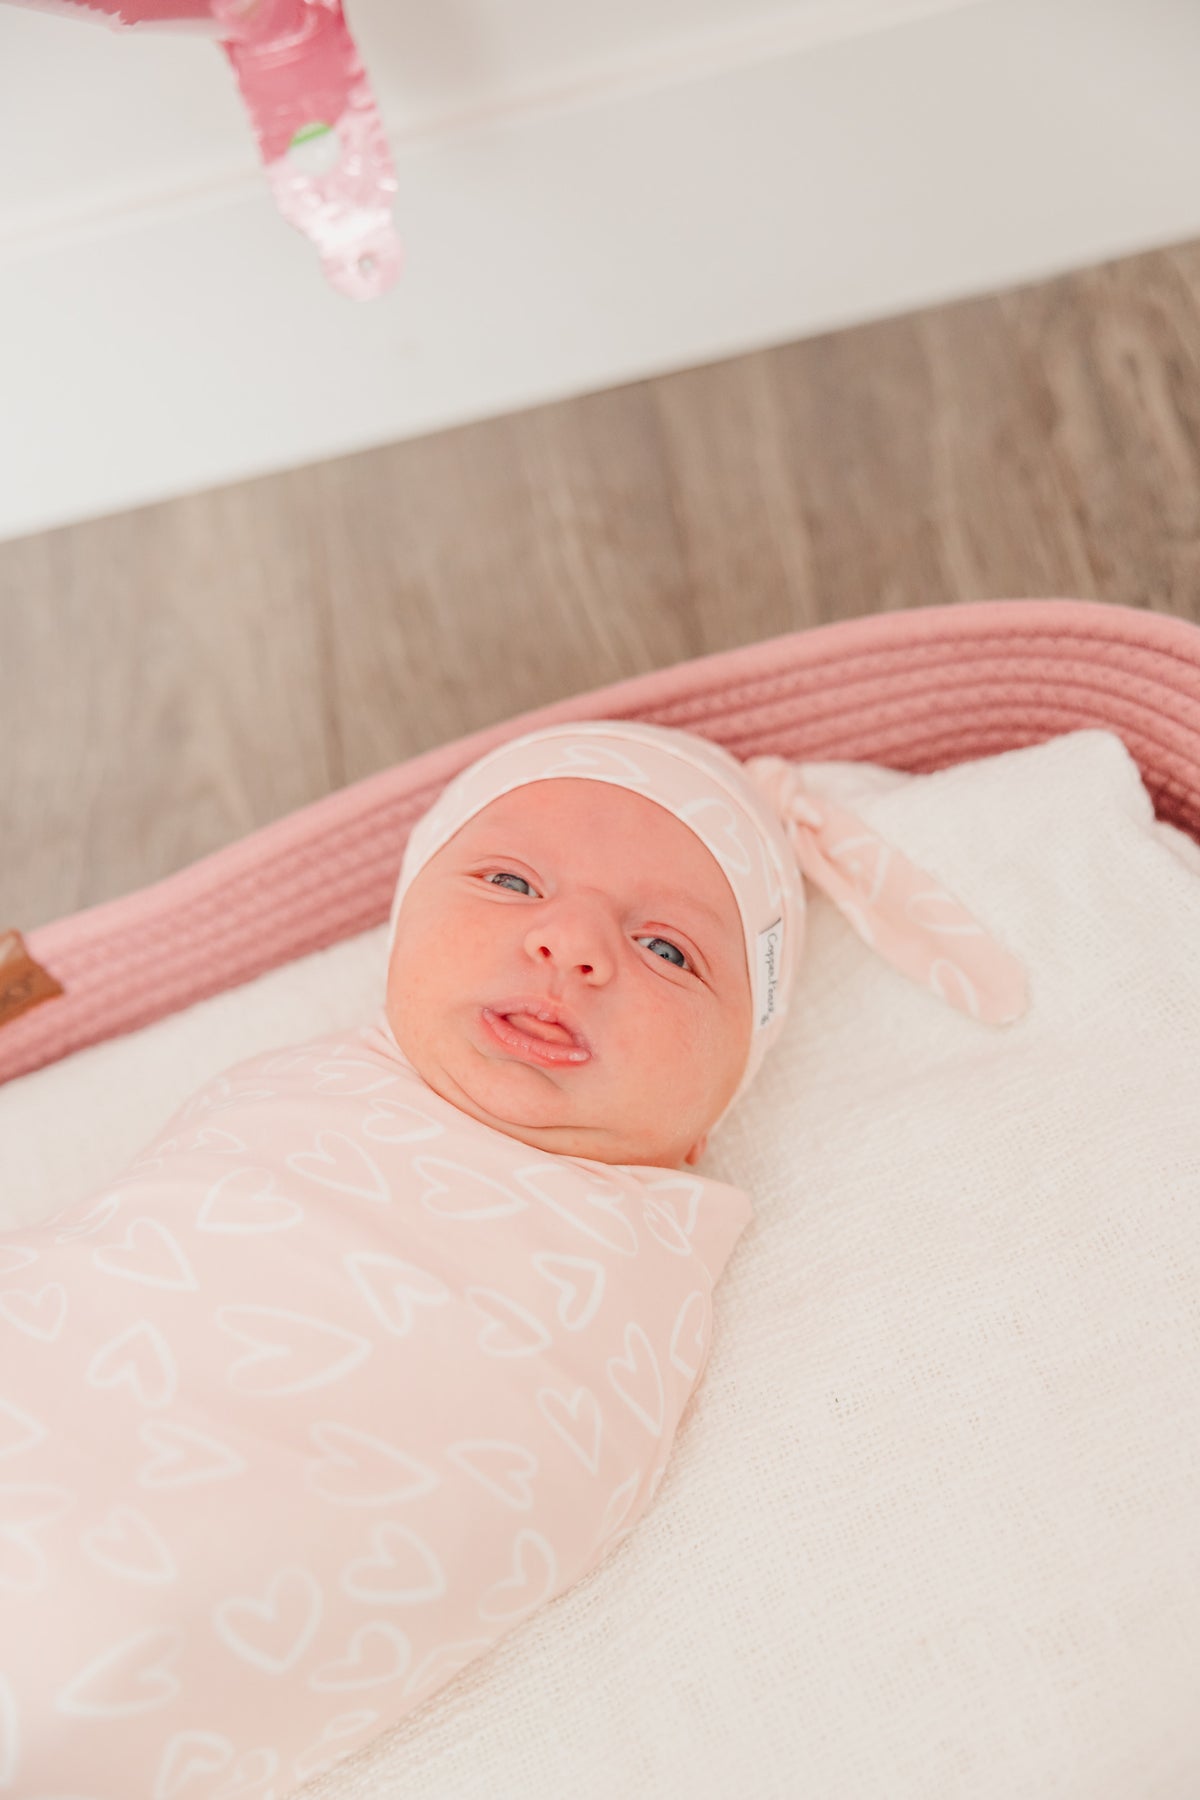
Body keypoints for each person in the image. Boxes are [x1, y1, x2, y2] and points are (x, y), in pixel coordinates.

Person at [0, 720, 1026, 1795]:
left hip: (162, 1575)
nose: (572, 943)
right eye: (507, 880)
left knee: (93, 1639)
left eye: (669, 951)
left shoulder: (645, 1243)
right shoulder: (308, 1085)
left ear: (722, 1097)